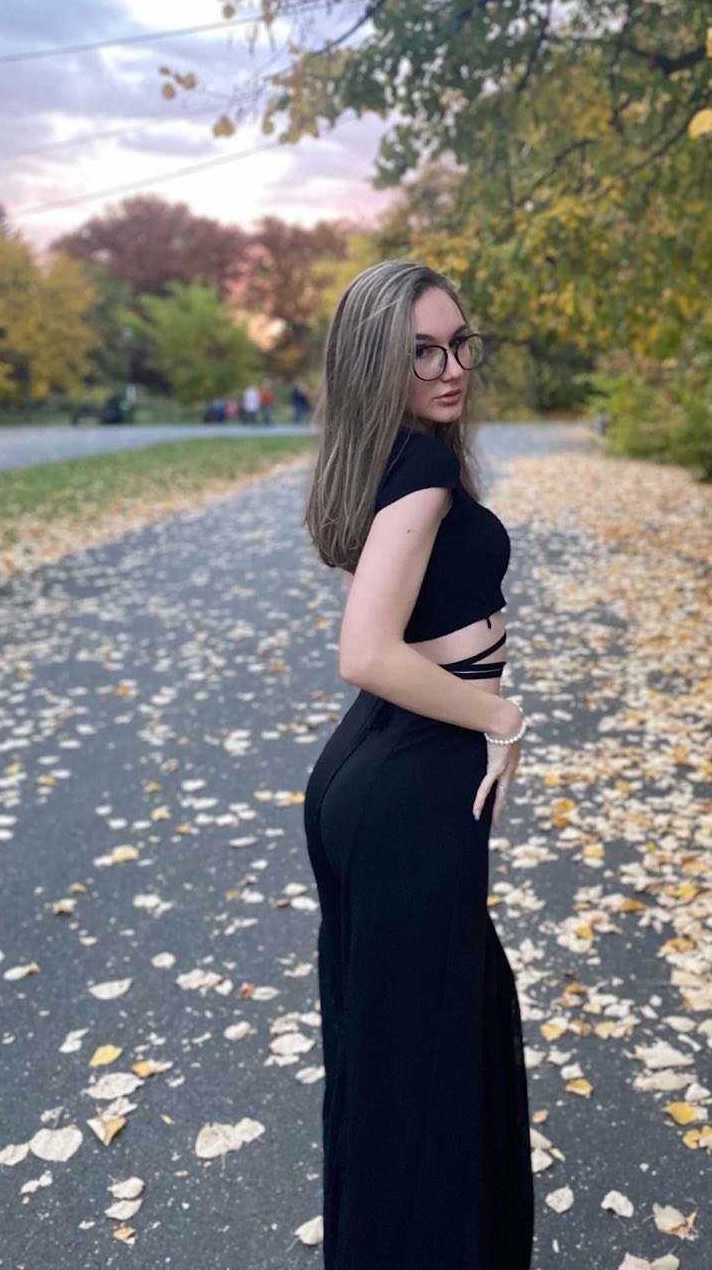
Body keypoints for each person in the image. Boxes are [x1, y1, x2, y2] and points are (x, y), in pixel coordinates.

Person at [301, 260, 534, 1270]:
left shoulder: (399, 458)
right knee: (426, 1070)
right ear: (376, 365)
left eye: (459, 344)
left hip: (385, 766)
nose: (452, 369)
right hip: (410, 784)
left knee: (402, 1057)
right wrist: (500, 715)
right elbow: (366, 650)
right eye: (423, 353)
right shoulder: (423, 475)